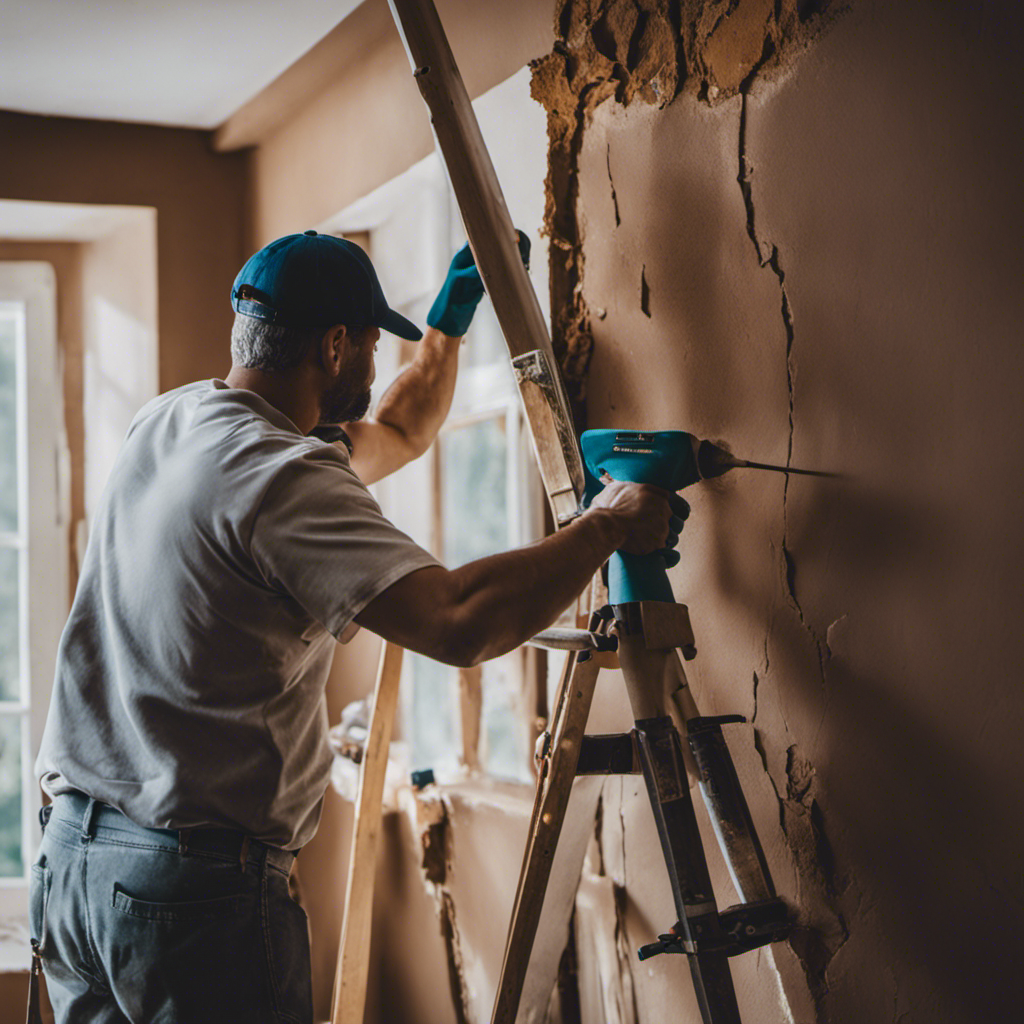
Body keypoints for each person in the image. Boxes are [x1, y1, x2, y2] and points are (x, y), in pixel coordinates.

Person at [29, 230, 687, 1023]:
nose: (375, 367)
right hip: (187, 898)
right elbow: (458, 622)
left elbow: (401, 434)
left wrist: (447, 325)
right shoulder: (284, 478)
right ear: (334, 346)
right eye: (373, 343)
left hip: (73, 864)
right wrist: (607, 523)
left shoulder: (171, 422)